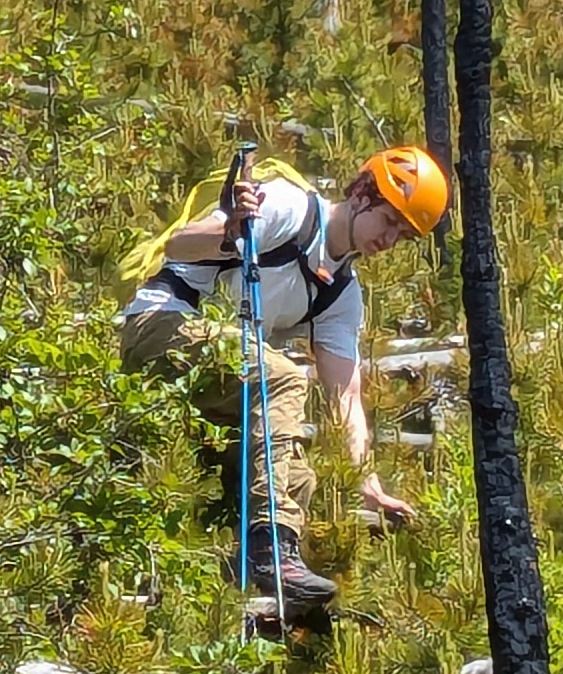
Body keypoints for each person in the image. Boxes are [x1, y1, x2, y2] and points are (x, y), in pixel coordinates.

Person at [118, 145, 450, 627]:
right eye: (390, 220)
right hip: (159, 324)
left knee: (298, 476)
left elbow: (346, 399)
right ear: (361, 194)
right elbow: (179, 246)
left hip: (217, 366)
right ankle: (272, 547)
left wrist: (368, 483)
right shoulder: (289, 207)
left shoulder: (340, 294)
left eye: (404, 234)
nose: (390, 239)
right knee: (283, 375)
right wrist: (232, 231)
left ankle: (234, 585)